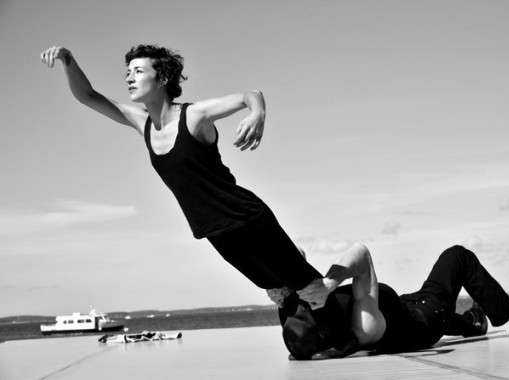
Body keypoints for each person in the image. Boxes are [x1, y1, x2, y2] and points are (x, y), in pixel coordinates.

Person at [40, 44, 354, 342]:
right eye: (127, 72)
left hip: (247, 218)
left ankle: (363, 314)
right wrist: (68, 60)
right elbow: (88, 96)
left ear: (161, 77)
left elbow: (250, 94)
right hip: (214, 231)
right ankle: (319, 337)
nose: (128, 77)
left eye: (138, 71)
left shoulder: (194, 115)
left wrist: (257, 114)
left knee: (310, 290)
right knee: (282, 296)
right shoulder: (141, 122)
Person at [269, 243, 509, 360]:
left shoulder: (301, 327)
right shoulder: (364, 326)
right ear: (323, 334)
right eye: (302, 313)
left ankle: (474, 321)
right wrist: (330, 283)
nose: (301, 309)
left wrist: (277, 285)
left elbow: (296, 254)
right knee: (458, 256)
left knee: (454, 318)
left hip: (405, 309)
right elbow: (361, 253)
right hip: (425, 320)